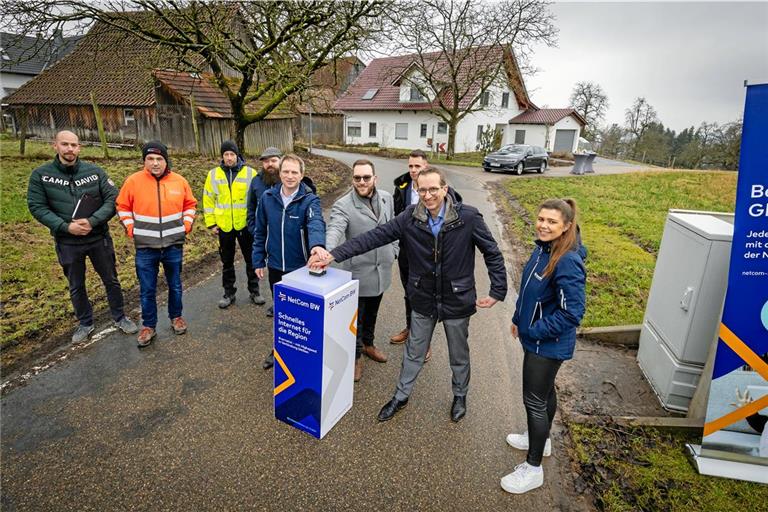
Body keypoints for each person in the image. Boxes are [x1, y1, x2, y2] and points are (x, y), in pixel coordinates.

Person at [309, 166, 507, 423]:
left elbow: (492, 252)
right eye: (422, 190)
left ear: (444, 189)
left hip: (457, 298)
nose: (427, 195)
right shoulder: (409, 218)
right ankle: (400, 397)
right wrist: (333, 254)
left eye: (433, 189)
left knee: (458, 354)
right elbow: (373, 237)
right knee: (413, 351)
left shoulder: (468, 217)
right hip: (423, 297)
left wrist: (498, 290)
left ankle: (460, 395)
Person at [501, 198, 587, 495]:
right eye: (541, 219)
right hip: (535, 338)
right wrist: (517, 317)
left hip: (547, 344)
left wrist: (535, 330)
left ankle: (533, 467)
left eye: (552, 222)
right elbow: (529, 291)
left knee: (534, 401)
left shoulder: (567, 261)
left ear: (566, 227)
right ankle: (543, 440)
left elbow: (572, 313)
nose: (543, 225)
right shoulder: (543, 248)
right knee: (545, 392)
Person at [27, 130, 138, 342]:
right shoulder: (41, 176)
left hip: (98, 238)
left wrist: (93, 221)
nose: (70, 149)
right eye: (65, 144)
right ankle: (85, 322)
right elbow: (37, 207)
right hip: (67, 241)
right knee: (76, 284)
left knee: (111, 280)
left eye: (74, 145)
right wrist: (65, 227)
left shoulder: (94, 172)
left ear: (79, 147)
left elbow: (112, 199)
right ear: (55, 146)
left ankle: (120, 316)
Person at [116, 141, 197, 347]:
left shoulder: (179, 181)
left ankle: (176, 317)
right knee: (147, 289)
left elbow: (190, 205)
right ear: (144, 161)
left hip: (173, 245)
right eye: (150, 159)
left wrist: (186, 225)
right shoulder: (133, 181)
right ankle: (148, 326)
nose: (155, 163)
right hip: (145, 248)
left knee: (175, 286)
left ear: (166, 160)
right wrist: (131, 228)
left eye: (159, 159)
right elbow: (122, 207)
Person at [252, 153, 326, 370]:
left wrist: (317, 245)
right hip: (275, 267)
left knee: (301, 315)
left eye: (295, 172)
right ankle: (279, 349)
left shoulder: (309, 200)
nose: (290, 176)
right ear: (279, 173)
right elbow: (260, 232)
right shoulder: (267, 198)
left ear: (302, 175)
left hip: (301, 268)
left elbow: (316, 223)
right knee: (281, 312)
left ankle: (301, 351)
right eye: (286, 171)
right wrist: (258, 260)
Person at [326, 159, 397, 382]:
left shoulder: (386, 197)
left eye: (366, 177)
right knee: (355, 318)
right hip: (359, 273)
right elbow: (335, 228)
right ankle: (355, 357)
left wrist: (394, 250)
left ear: (375, 178)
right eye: (357, 178)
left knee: (373, 312)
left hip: (382, 271)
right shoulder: (343, 205)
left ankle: (369, 344)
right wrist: (326, 252)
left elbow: (394, 225)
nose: (362, 182)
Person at [203, 140, 264, 308]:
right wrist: (211, 223)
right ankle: (229, 293)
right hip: (224, 226)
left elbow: (257, 199)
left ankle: (255, 291)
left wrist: (256, 222)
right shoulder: (213, 175)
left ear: (237, 155)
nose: (229, 158)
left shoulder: (250, 173)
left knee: (251, 259)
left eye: (232, 154)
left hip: (245, 225)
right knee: (227, 261)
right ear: (222, 156)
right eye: (226, 154)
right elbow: (208, 200)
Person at [246, 146, 283, 315]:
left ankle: (292, 305)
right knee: (273, 273)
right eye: (266, 161)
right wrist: (254, 230)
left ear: (281, 161)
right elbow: (251, 208)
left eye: (273, 160)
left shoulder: (287, 179)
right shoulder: (256, 181)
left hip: (286, 236)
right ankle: (278, 304)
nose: (270, 164)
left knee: (290, 273)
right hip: (266, 237)